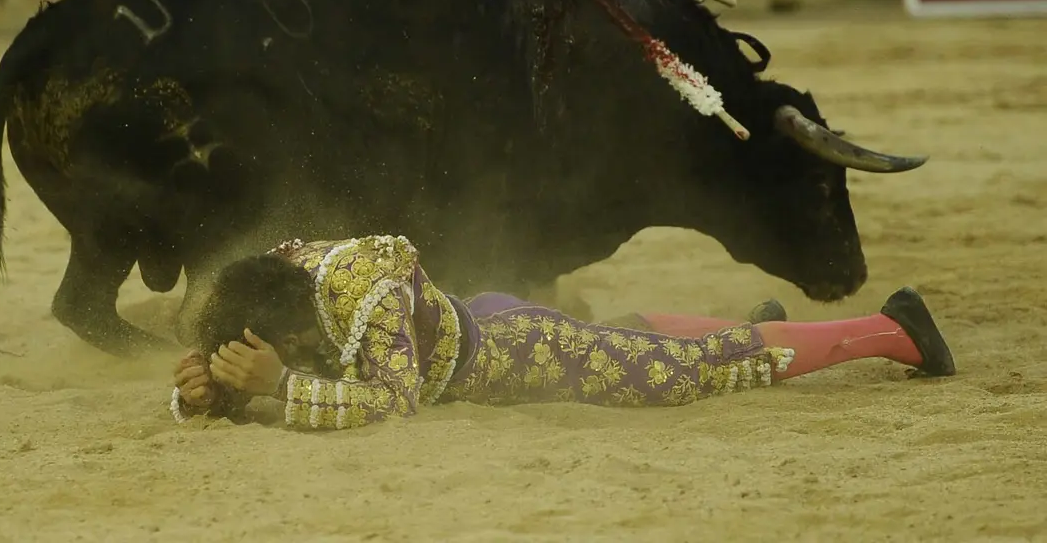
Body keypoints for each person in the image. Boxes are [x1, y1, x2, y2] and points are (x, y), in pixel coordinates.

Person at [168, 235, 955, 429]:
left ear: (293, 333)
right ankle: (755, 328)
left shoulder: (366, 295)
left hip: (523, 353)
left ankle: (892, 329)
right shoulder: (281, 279)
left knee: (694, 371)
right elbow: (251, 352)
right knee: (626, 338)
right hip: (492, 321)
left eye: (283, 349)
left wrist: (281, 387)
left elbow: (395, 400)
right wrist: (205, 389)